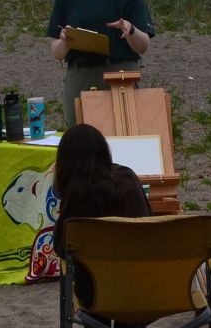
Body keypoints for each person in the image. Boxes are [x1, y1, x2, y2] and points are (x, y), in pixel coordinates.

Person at [47, 0, 156, 129]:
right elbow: (57, 53)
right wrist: (66, 41)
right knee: (80, 140)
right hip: (79, 75)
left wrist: (130, 29)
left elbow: (142, 46)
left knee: (123, 135)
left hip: (119, 74)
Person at [52, 124, 151, 324]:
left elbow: (62, 248)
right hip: (144, 292)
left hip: (96, 298)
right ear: (105, 152)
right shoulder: (129, 179)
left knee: (92, 277)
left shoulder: (78, 198)